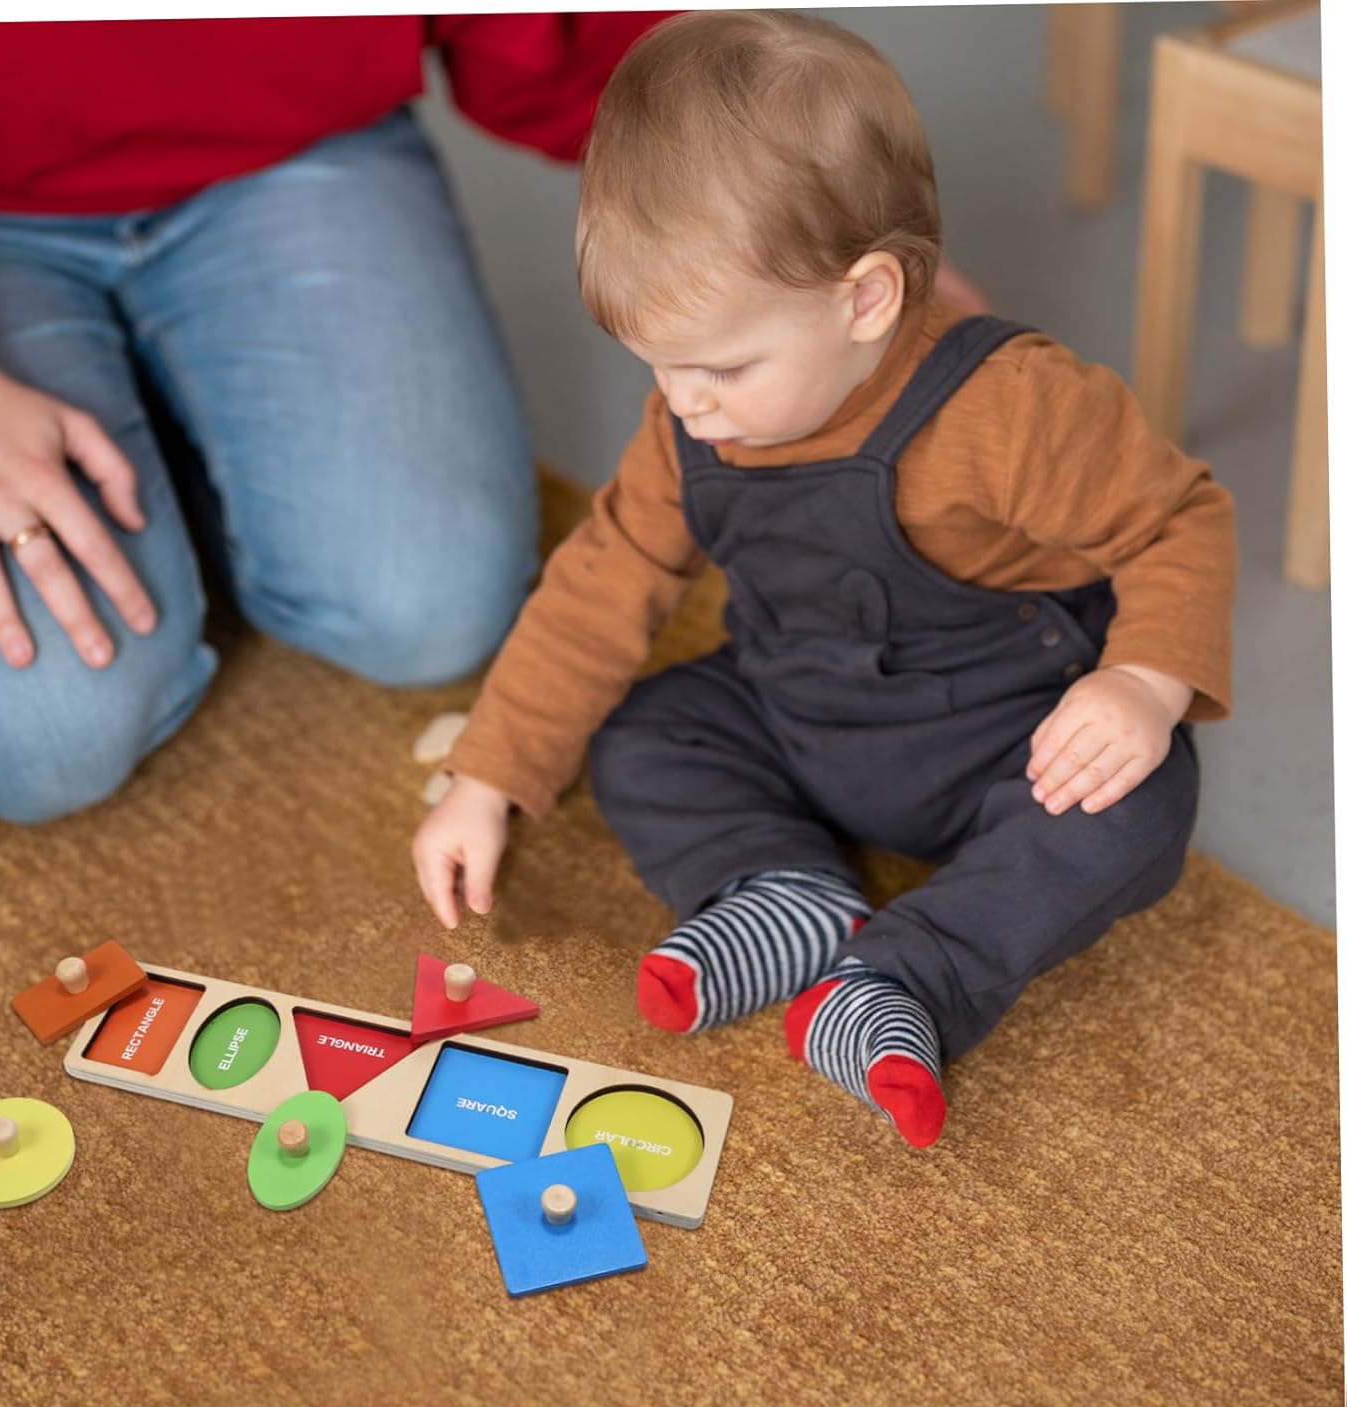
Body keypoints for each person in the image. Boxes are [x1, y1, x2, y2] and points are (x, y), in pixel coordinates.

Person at [412, 10, 1236, 1148]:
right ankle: (782, 892)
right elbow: (604, 580)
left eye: (720, 367)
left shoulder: (1013, 405)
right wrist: (487, 776)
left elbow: (1179, 518)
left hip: (1008, 743)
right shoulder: (691, 414)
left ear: (866, 300)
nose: (683, 403)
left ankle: (906, 976)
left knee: (1139, 808)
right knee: (640, 733)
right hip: (795, 711)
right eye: (658, 366)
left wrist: (1142, 682)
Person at [0, 13, 665, 823]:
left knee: (427, 610)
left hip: (285, 142)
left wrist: (722, 160)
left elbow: (567, 44)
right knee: (44, 739)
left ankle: (174, 420)